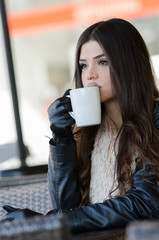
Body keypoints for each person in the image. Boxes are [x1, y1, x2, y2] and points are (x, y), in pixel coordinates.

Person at [2, 18, 159, 233]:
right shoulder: (87, 131)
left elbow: (145, 203)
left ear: (128, 63)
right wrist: (61, 138)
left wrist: (52, 219)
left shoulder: (154, 119)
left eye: (102, 62)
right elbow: (65, 206)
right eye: (83, 65)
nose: (89, 74)